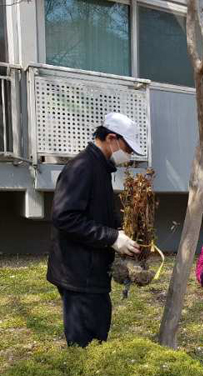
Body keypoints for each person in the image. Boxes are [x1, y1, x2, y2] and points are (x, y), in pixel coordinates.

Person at [47, 112, 143, 348]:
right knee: (86, 342)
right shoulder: (82, 167)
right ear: (111, 138)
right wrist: (110, 237)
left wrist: (119, 233)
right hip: (78, 273)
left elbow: (94, 212)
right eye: (128, 149)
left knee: (98, 328)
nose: (128, 156)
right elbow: (65, 217)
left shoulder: (100, 167)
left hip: (89, 269)